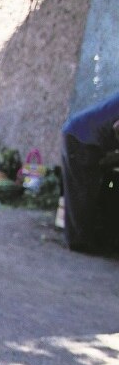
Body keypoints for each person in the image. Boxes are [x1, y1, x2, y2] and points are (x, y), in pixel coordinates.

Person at [61, 92, 119, 253]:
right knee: (83, 191)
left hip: (78, 131)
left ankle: (82, 240)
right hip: (83, 138)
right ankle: (81, 243)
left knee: (82, 190)